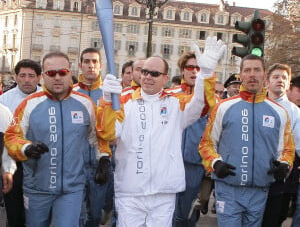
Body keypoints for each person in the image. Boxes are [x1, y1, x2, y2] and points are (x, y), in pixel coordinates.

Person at [97, 37, 225, 226]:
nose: (148, 77)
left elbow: (204, 104)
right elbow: (108, 133)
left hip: (163, 191)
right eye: (145, 72)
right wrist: (107, 101)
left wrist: (205, 74)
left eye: (155, 73)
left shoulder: (175, 103)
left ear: (165, 78)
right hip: (130, 189)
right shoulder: (123, 101)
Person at [4, 51, 110, 227]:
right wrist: (26, 148)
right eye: (51, 73)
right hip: (37, 188)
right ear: (43, 76)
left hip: (71, 188)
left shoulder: (85, 104)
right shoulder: (29, 104)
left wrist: (104, 158)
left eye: (62, 72)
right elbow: (12, 137)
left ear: (70, 73)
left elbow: (98, 137)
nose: (58, 77)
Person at [199, 54, 295, 227]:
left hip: (260, 189)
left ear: (264, 75)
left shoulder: (280, 112)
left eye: (257, 70)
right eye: (247, 70)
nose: (252, 75)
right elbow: (206, 143)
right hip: (228, 187)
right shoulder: (224, 107)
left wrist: (284, 164)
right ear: (241, 75)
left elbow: (287, 150)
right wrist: (215, 163)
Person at [172, 50, 219, 227]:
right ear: (182, 70)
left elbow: (216, 134)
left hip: (195, 165)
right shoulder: (170, 95)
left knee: (187, 215)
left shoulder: (213, 101)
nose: (194, 71)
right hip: (170, 162)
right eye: (190, 67)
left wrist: (210, 163)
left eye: (198, 67)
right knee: (168, 213)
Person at [0, 59, 42, 227]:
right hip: (13, 162)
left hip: (41, 163)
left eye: (31, 76)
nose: (27, 80)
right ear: (16, 77)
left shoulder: (47, 98)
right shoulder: (5, 101)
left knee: (38, 211)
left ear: (39, 78)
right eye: (22, 75)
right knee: (14, 210)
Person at [73, 48, 113, 227]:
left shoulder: (110, 95)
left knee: (95, 217)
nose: (91, 65)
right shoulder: (70, 93)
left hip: (100, 165)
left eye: (95, 61)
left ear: (100, 65)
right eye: (87, 61)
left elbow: (119, 128)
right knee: (77, 216)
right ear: (80, 65)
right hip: (75, 167)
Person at [262, 63, 300, 226]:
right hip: (254, 175)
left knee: (273, 219)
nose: (280, 80)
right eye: (276, 77)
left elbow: (297, 144)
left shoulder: (294, 111)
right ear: (267, 81)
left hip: (279, 177)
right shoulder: (256, 104)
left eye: (284, 77)